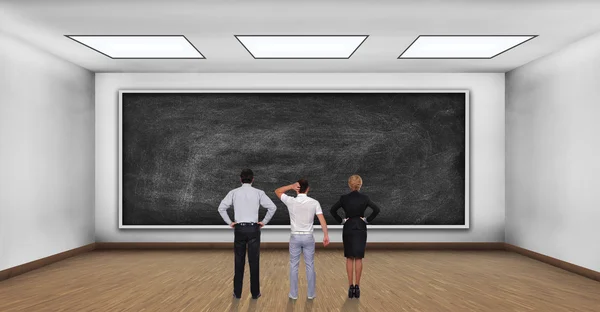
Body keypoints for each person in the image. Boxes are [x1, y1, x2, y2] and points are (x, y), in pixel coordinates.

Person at [218, 169, 277, 300]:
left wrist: (230, 222)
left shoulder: (233, 192)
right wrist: (263, 222)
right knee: (254, 261)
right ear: (253, 179)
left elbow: (221, 208)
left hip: (239, 228)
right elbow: (272, 207)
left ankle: (237, 293)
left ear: (240, 179)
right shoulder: (259, 193)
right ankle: (255, 293)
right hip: (253, 229)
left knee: (239, 261)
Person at [275, 179, 330, 300]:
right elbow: (321, 219)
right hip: (308, 237)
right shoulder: (314, 202)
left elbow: (277, 191)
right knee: (310, 265)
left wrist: (291, 186)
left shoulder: (290, 201)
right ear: (308, 189)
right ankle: (311, 294)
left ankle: (293, 294)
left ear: (297, 188)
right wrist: (326, 235)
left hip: (295, 236)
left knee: (294, 266)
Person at [330, 175, 381, 299]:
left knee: (349, 258)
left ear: (349, 184)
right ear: (360, 185)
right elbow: (376, 209)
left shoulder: (344, 198)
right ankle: (357, 287)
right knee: (358, 258)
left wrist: (341, 221)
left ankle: (350, 287)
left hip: (348, 227)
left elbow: (332, 210)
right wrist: (367, 219)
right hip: (360, 228)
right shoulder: (365, 198)